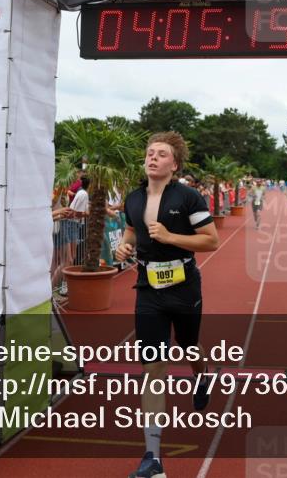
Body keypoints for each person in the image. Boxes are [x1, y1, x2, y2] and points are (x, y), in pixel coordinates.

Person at [114, 132, 219, 478]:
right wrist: (124, 248)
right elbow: (131, 232)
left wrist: (171, 237)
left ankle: (203, 377)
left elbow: (211, 241)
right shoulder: (133, 198)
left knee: (189, 347)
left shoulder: (187, 197)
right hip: (148, 291)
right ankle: (153, 458)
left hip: (184, 288)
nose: (153, 157)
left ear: (174, 164)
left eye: (161, 154)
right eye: (149, 153)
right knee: (153, 369)